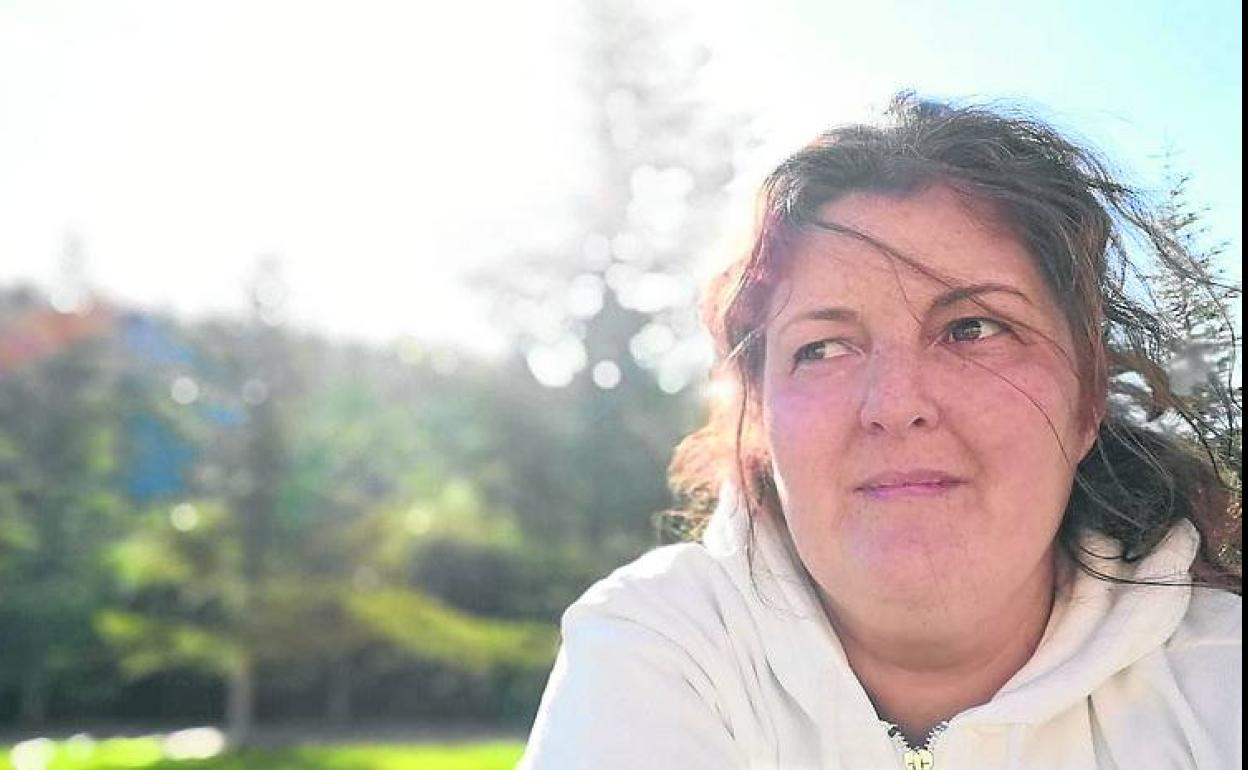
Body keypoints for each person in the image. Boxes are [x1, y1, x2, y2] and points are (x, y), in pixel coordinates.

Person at [518, 95, 1242, 770]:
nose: (895, 405)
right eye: (824, 347)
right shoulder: (657, 646)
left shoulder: (1220, 680)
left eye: (972, 328)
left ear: (1086, 401)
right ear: (761, 419)